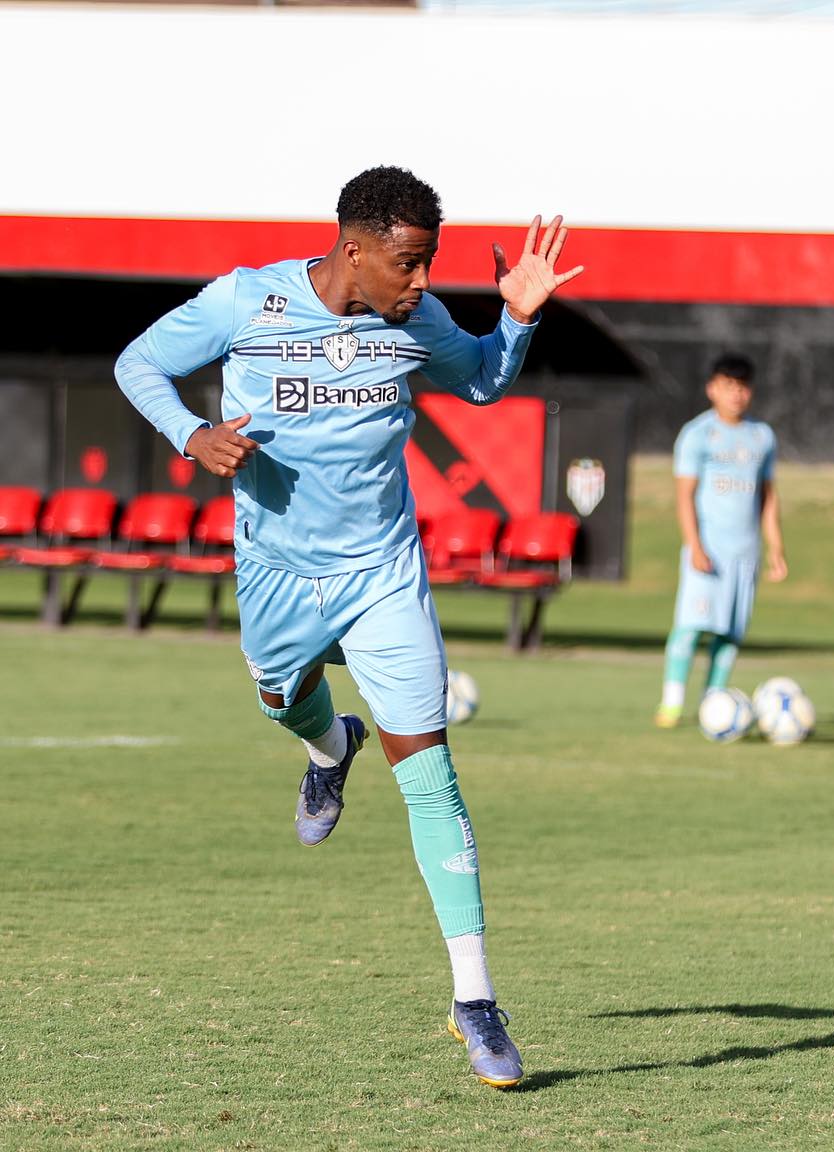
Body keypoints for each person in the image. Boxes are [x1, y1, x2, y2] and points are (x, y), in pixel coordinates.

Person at [113, 166, 582, 1088]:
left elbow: (484, 383)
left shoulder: (418, 323)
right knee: (281, 699)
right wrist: (190, 433)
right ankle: (330, 748)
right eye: (407, 266)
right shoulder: (247, 302)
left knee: (435, 780)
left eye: (428, 266)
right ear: (353, 249)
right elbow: (139, 364)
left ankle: (476, 1000)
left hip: (384, 577)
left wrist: (518, 321)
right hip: (278, 574)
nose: (419, 284)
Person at [654, 353, 787, 727]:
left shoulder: (762, 436)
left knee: (730, 633)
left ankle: (713, 704)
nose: (736, 395)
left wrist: (775, 545)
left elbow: (768, 496)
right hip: (708, 550)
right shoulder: (698, 434)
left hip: (745, 554)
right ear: (713, 388)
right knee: (690, 626)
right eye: (729, 386)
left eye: (743, 387)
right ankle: (671, 703)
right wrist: (694, 544)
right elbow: (685, 495)